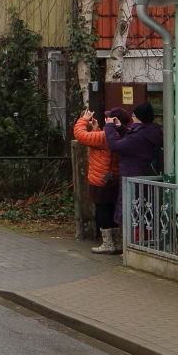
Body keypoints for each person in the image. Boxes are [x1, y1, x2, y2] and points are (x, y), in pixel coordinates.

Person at [104, 101, 164, 251]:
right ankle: (137, 245)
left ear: (138, 118)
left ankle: (134, 248)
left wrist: (109, 127)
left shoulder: (139, 135)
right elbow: (133, 140)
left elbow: (116, 146)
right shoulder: (150, 131)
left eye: (133, 115)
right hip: (144, 176)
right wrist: (120, 128)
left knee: (134, 213)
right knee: (142, 212)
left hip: (133, 177)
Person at [75, 108, 127, 254]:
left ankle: (108, 244)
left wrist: (84, 119)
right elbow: (97, 142)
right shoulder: (120, 134)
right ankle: (116, 242)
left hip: (101, 178)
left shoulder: (105, 136)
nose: (106, 119)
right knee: (112, 209)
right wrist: (96, 129)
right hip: (114, 178)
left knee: (103, 210)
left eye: (108, 118)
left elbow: (80, 135)